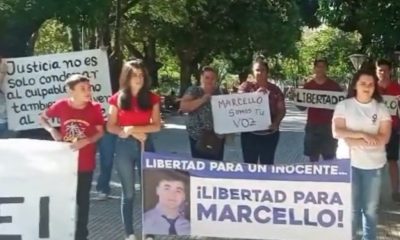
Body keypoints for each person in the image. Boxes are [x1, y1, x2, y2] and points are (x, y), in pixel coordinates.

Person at [39, 74, 105, 240]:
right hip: (64, 163)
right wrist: (52, 130)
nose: (88, 91)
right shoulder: (61, 105)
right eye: (82, 88)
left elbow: (100, 132)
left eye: (89, 87)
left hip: (85, 163)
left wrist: (88, 140)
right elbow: (42, 118)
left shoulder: (95, 107)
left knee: (82, 202)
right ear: (71, 91)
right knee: (63, 200)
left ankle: (81, 235)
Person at [332, 69, 391, 240]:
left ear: (375, 87)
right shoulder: (344, 106)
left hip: (374, 166)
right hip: (348, 164)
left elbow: (384, 137)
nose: (367, 87)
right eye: (363, 83)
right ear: (355, 85)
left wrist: (352, 139)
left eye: (371, 84)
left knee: (370, 210)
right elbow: (337, 131)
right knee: (351, 209)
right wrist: (364, 135)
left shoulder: (381, 108)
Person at [106, 59, 161, 240]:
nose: (138, 79)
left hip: (147, 145)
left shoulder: (152, 98)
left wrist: (133, 130)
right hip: (124, 148)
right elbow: (111, 126)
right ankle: (129, 233)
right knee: (128, 191)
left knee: (149, 191)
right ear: (127, 77)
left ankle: (150, 232)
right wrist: (126, 132)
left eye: (141, 75)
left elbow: (156, 126)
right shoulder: (117, 98)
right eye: (134, 75)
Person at [238, 56, 286, 165]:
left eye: (262, 70)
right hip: (249, 134)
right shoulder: (245, 87)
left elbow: (281, 110)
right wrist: (256, 96)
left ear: (267, 72)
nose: (259, 73)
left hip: (270, 134)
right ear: (253, 72)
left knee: (267, 165)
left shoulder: (275, 90)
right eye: (257, 70)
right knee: (249, 166)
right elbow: (238, 103)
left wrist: (276, 123)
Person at [299, 58, 342, 162]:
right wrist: (296, 98)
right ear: (314, 69)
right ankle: (313, 178)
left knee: (329, 157)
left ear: (327, 69)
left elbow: (341, 107)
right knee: (313, 157)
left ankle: (328, 178)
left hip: (329, 126)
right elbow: (302, 107)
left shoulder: (334, 86)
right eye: (318, 66)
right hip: (312, 126)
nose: (320, 69)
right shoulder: (308, 86)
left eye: (323, 67)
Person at [180, 66, 225, 161]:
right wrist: (203, 100)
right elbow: (184, 107)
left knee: (216, 166)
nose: (209, 81)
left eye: (212, 78)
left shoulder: (220, 92)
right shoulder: (194, 90)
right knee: (200, 167)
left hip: (216, 138)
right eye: (207, 77)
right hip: (197, 137)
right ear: (201, 78)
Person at [376, 59, 400, 202]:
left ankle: (395, 192)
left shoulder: (397, 88)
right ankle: (374, 192)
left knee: (392, 161)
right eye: (380, 70)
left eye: (385, 70)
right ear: (376, 71)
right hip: (375, 131)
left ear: (390, 71)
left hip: (393, 129)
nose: (383, 73)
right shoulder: (370, 88)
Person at [143, 170, 190, 236]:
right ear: (157, 190)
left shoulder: (188, 226)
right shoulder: (145, 221)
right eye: (167, 188)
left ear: (184, 196)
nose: (172, 195)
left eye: (178, 191)